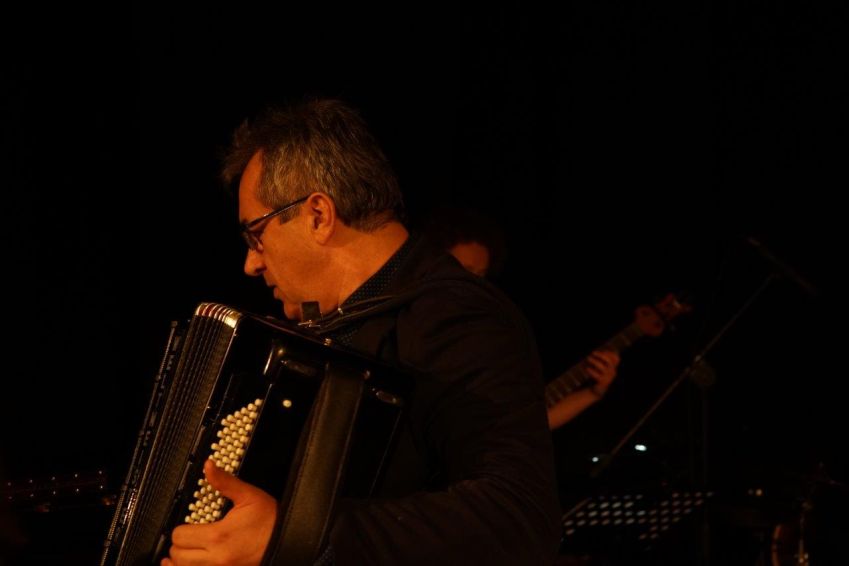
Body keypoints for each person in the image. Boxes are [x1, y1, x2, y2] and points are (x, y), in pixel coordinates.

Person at [161, 98, 562, 565]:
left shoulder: (459, 318)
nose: (251, 263)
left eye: (256, 234)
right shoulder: (324, 333)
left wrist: (295, 535)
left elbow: (520, 518)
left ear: (318, 214)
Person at [421, 206, 621, 431]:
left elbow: (521, 424)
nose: (474, 285)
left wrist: (593, 392)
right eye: (464, 271)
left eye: (480, 276)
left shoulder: (485, 338)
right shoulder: (414, 324)